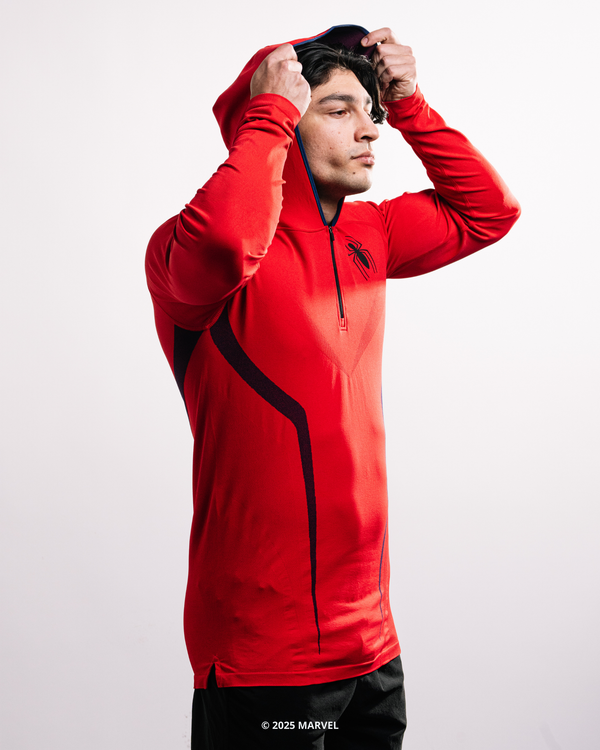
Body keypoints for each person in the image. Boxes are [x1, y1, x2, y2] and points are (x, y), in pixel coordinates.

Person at [145, 24, 520, 749]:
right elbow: (226, 241)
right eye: (339, 110)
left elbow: (490, 212)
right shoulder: (187, 250)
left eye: (370, 111)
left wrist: (411, 105)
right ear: (281, 116)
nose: (370, 129)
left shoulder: (372, 233)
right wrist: (265, 117)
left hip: (372, 647)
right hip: (262, 658)